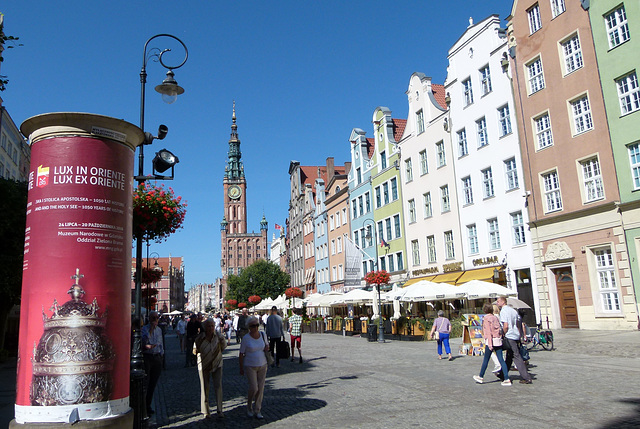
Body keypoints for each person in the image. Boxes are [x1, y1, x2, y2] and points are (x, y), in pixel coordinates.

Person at [194, 318, 227, 419]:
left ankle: (220, 409)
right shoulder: (200, 338)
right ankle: (206, 411)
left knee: (218, 386)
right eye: (209, 326)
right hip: (203, 365)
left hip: (217, 364)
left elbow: (223, 346)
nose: (211, 328)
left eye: (212, 326)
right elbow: (195, 351)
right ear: (205, 327)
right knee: (204, 387)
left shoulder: (219, 336)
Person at [496, 296, 533, 384]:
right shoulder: (513, 311)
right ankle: (502, 374)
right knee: (510, 356)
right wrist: (519, 335)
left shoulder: (504, 311)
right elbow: (517, 324)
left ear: (503, 302)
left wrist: (503, 334)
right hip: (516, 335)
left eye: (498, 301)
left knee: (516, 356)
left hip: (510, 336)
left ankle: (526, 377)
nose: (497, 303)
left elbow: (506, 325)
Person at [472, 303, 511, 386]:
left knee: (486, 360)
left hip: (491, 341)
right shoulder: (495, 318)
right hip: (498, 341)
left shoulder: (486, 318)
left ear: (485, 310)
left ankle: (481, 376)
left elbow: (488, 332)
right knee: (501, 360)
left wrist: (489, 344)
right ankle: (507, 378)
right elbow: (500, 330)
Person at [239, 316, 268, 420]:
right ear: (249, 327)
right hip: (250, 365)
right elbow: (241, 353)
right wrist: (241, 368)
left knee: (260, 388)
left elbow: (266, 347)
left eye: (256, 325)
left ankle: (257, 409)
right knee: (254, 388)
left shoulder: (262, 335)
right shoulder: (246, 338)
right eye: (253, 326)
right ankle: (249, 405)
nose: (255, 327)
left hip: (263, 364)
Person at [141, 311, 164, 415]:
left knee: (153, 384)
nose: (155, 320)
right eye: (153, 318)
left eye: (157, 318)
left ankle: (148, 405)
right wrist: (150, 330)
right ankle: (143, 406)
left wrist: (162, 355)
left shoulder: (159, 330)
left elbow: (160, 343)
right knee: (146, 382)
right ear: (149, 319)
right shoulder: (145, 329)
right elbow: (144, 342)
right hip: (148, 357)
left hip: (157, 357)